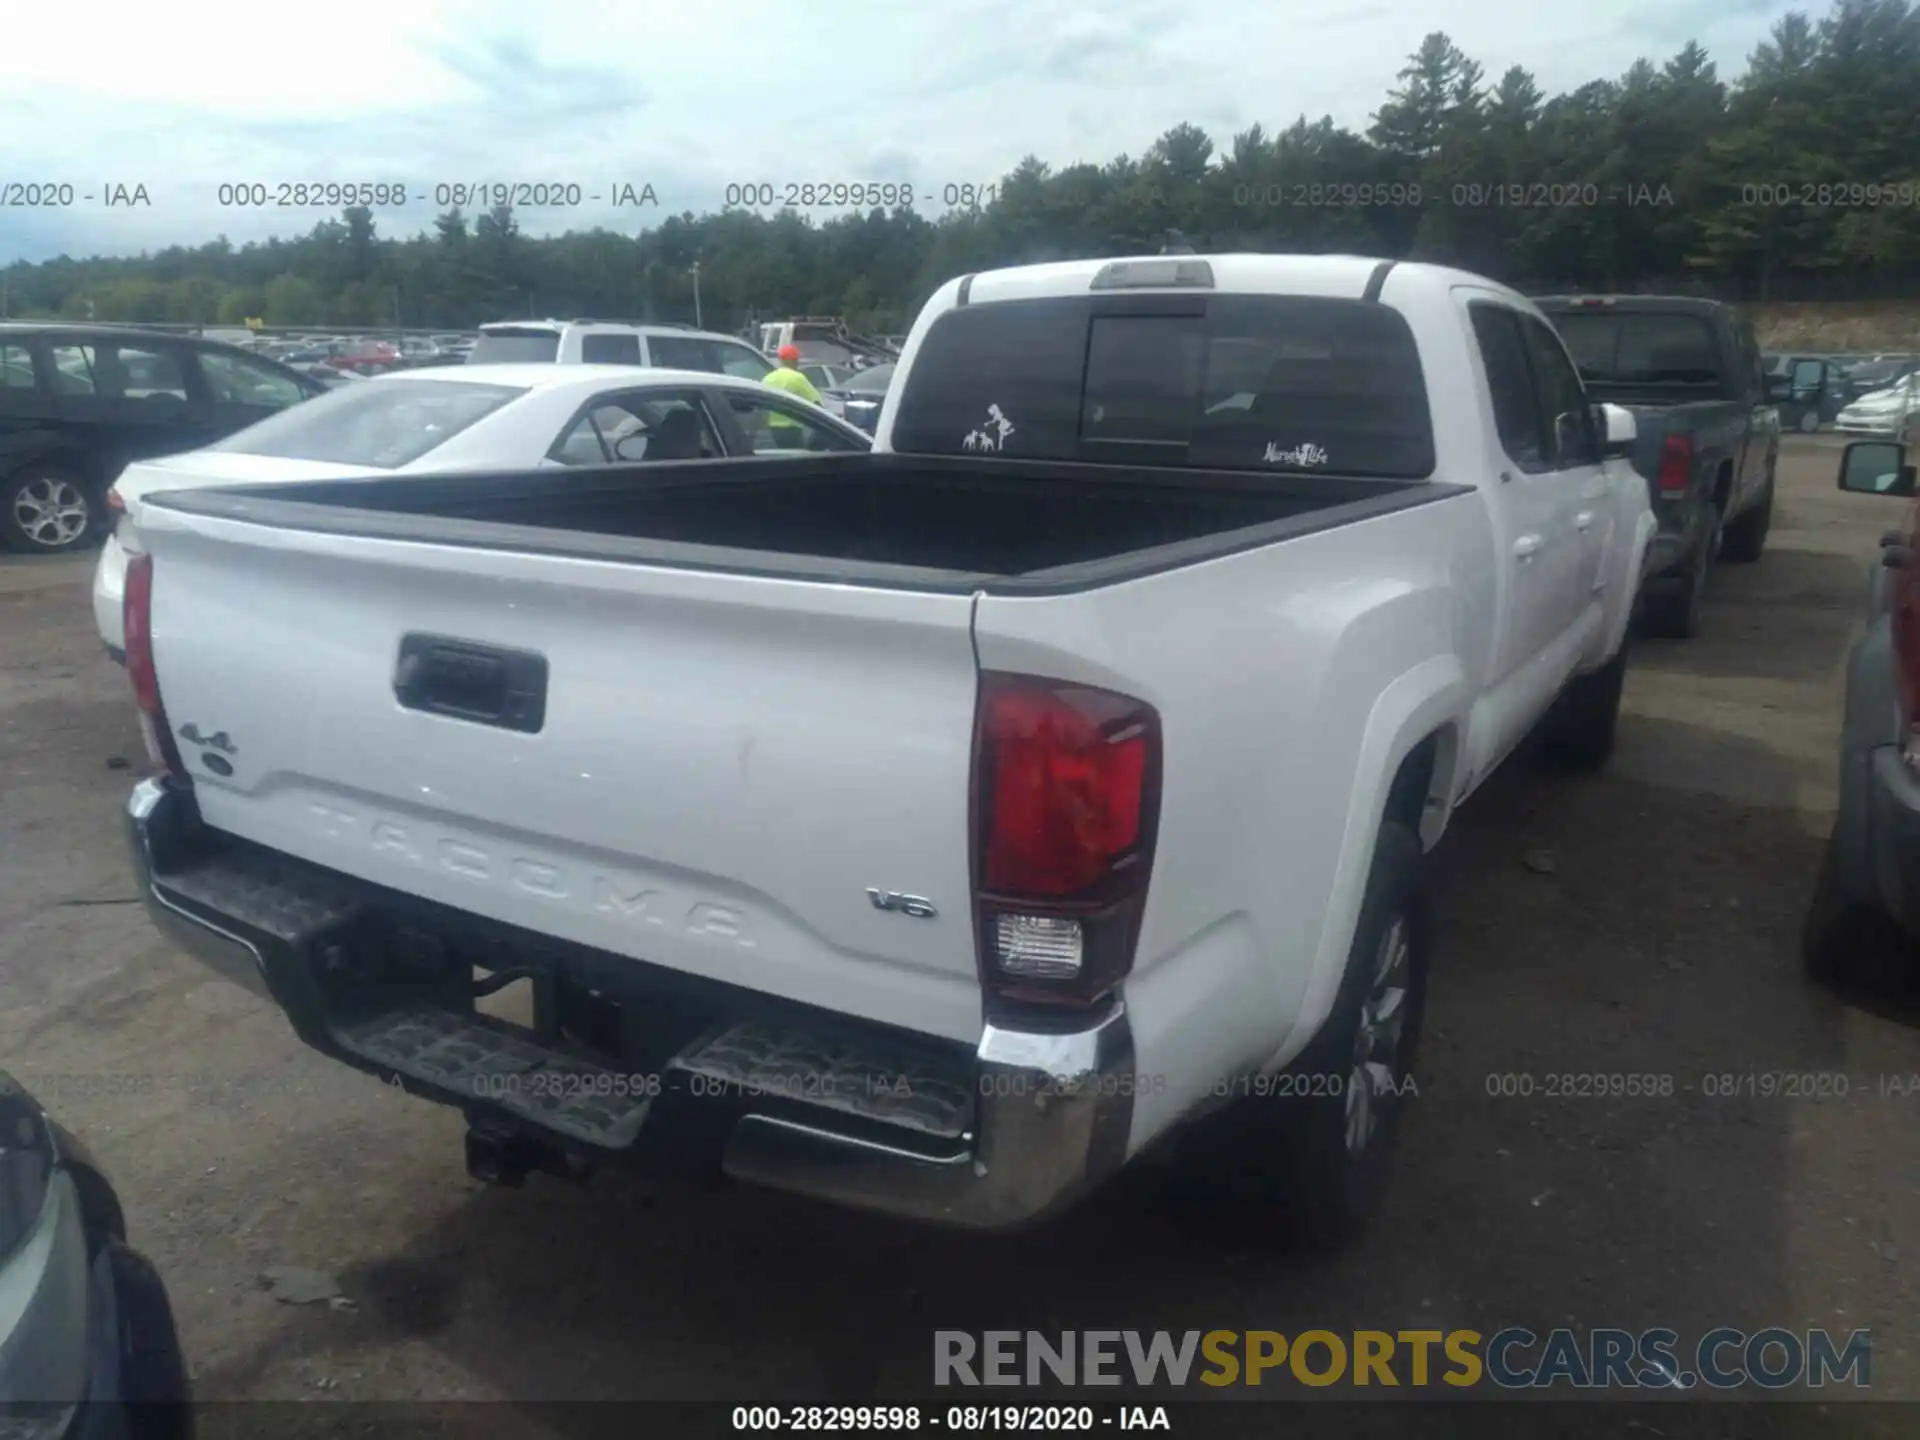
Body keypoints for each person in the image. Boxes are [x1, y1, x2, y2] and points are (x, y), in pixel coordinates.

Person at [760, 344, 823, 449]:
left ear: (781, 360)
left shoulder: (768, 378)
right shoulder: (798, 378)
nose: (798, 362)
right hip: (793, 428)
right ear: (793, 360)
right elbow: (816, 401)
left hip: (773, 428)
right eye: (796, 359)